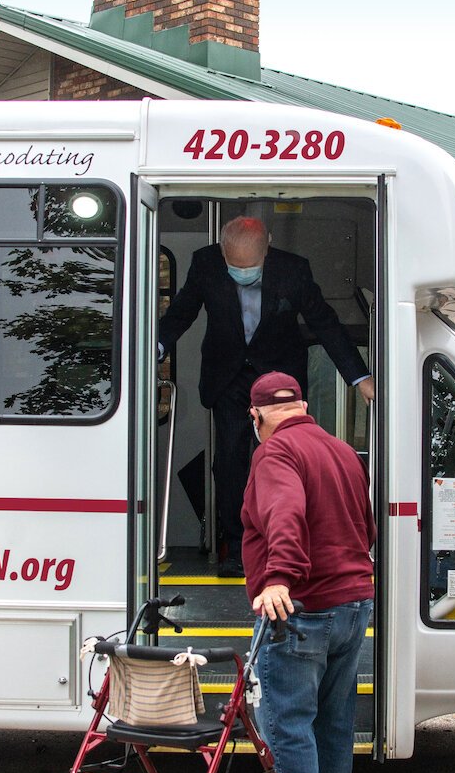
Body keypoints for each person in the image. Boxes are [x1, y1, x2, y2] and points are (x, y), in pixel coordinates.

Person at [158, 215, 373, 574]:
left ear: (268, 247)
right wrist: (156, 347)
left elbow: (325, 323)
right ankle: (239, 547)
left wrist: (359, 377)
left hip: (279, 377)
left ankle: (288, 543)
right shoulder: (205, 264)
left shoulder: (294, 270)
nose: (241, 274)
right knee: (229, 459)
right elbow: (181, 312)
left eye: (250, 268)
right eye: (234, 267)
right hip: (228, 376)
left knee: (287, 459)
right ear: (222, 253)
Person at [239, 372, 375, 773]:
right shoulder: (341, 451)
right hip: (353, 602)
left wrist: (279, 576)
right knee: (335, 714)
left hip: (302, 607)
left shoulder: (275, 453)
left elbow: (285, 512)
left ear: (257, 415)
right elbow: (367, 525)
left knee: (287, 718)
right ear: (300, 404)